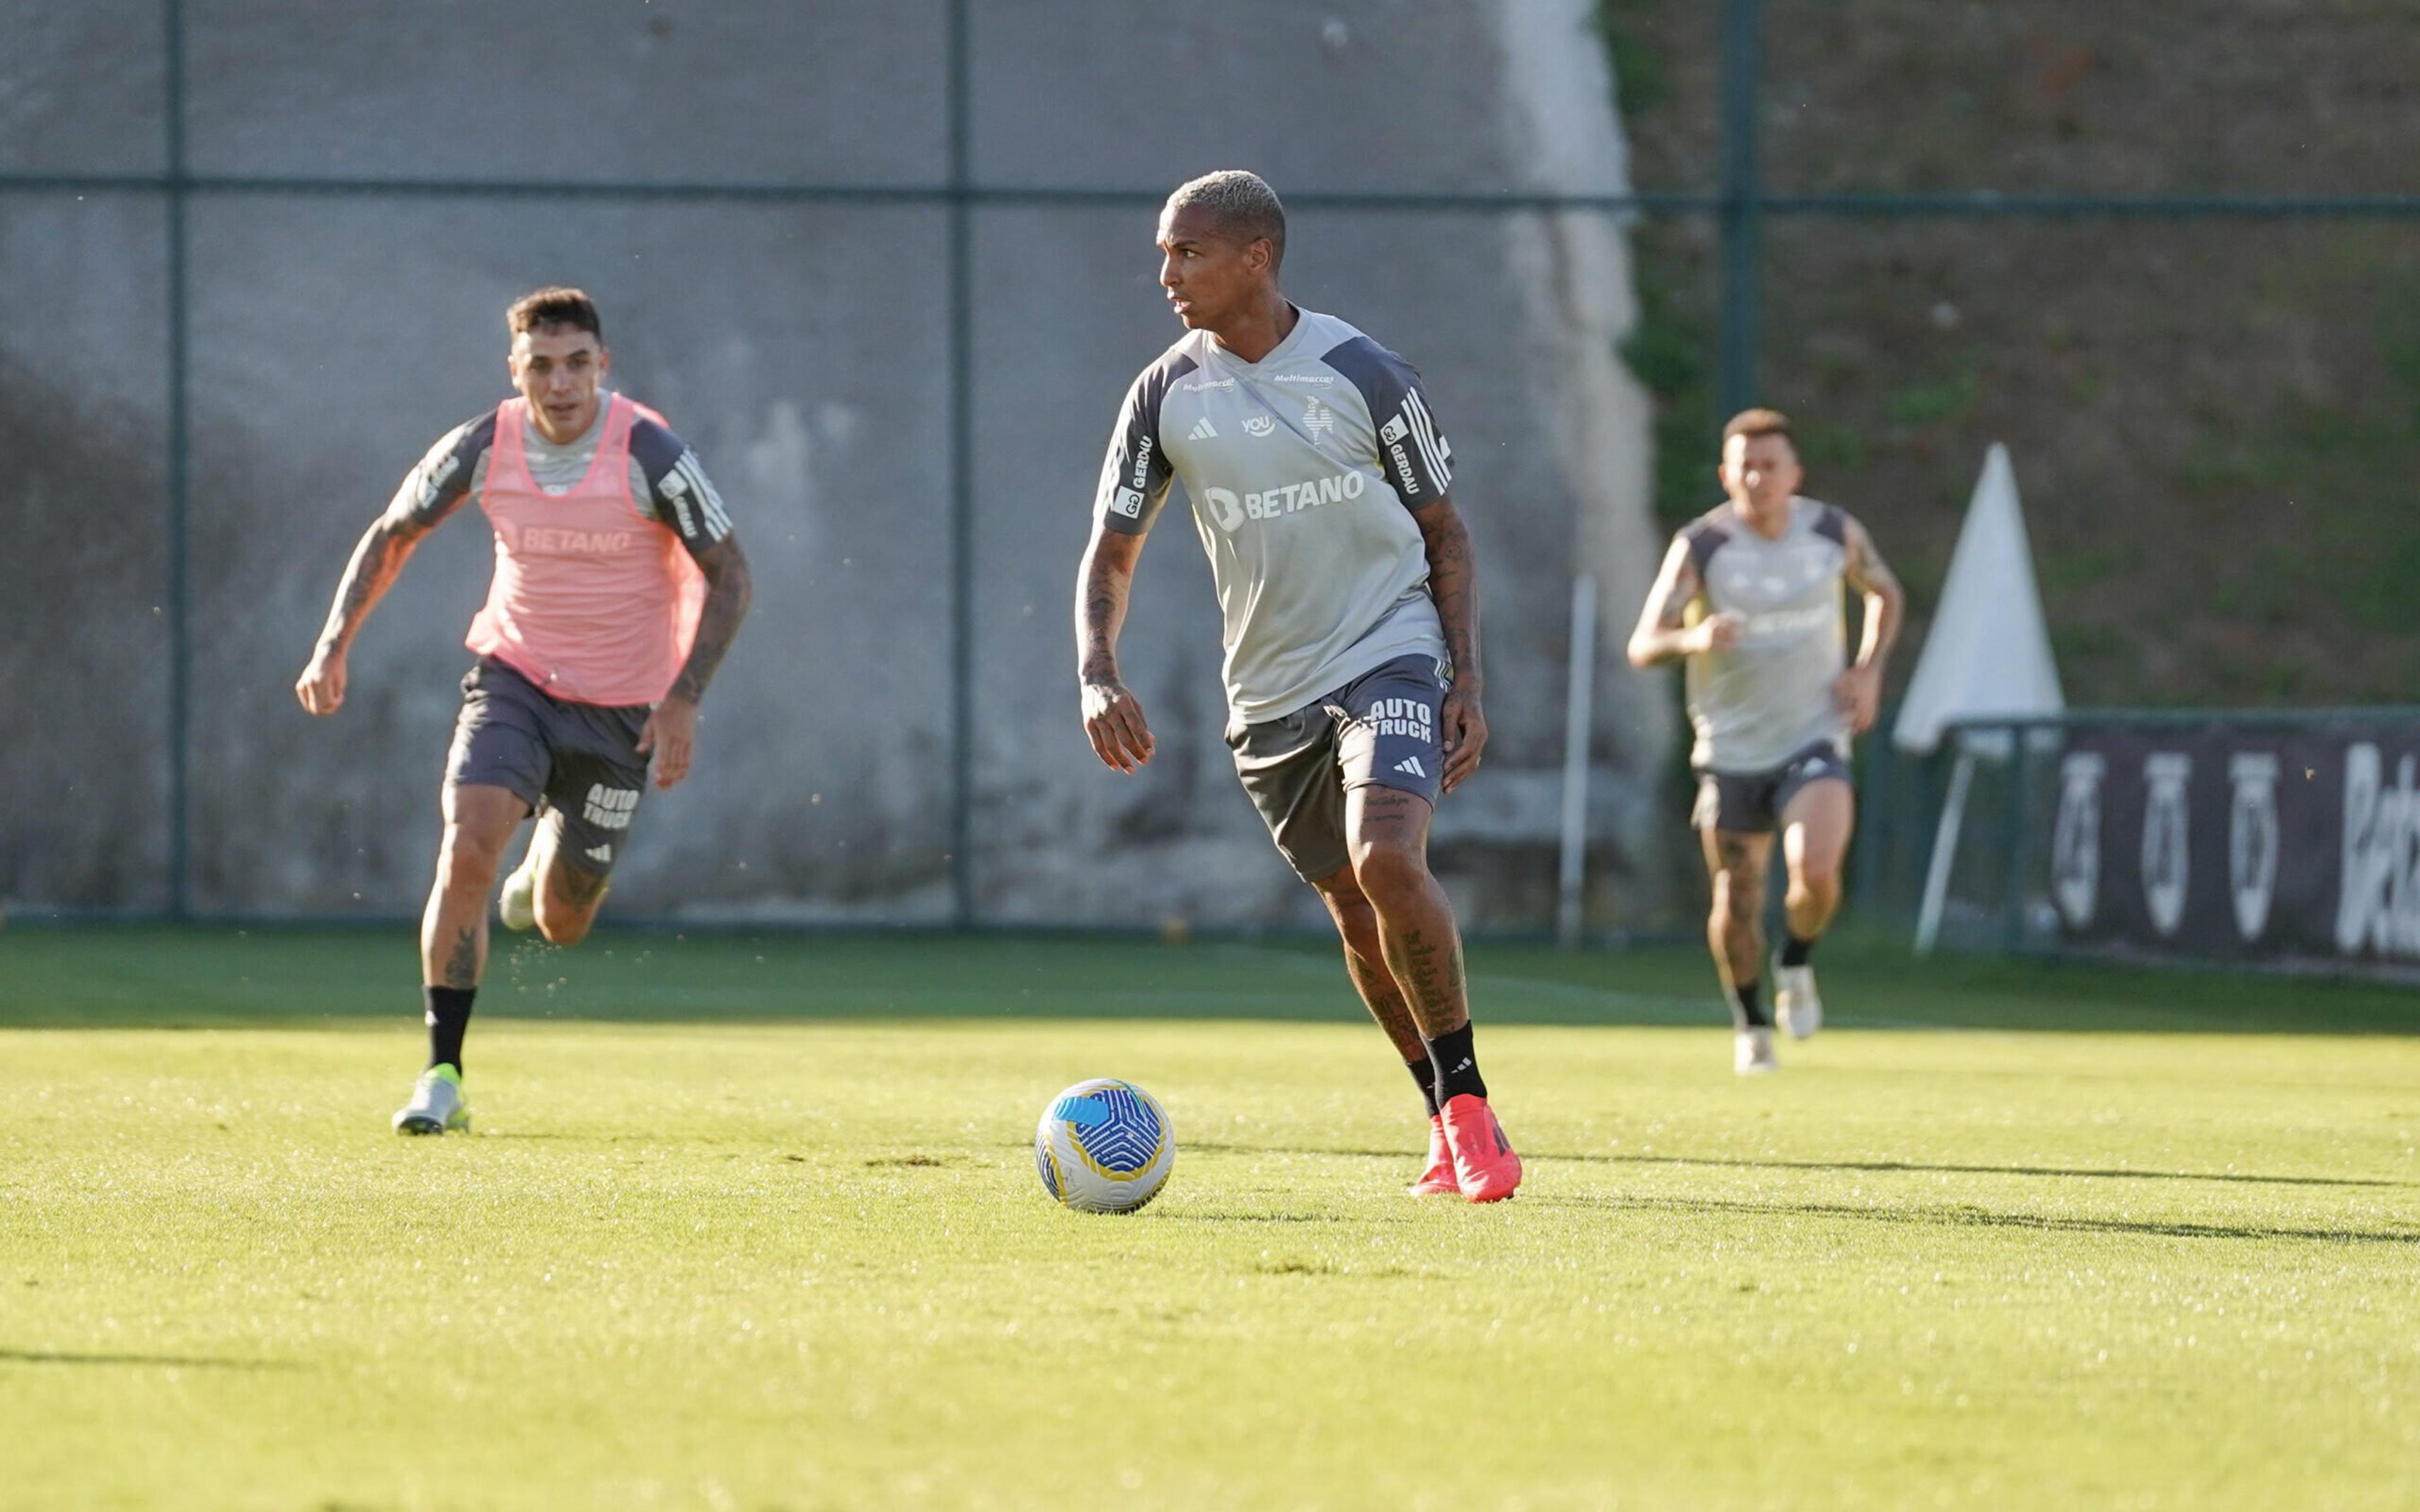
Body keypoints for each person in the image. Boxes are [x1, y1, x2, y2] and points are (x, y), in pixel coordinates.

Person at [1073, 170, 1520, 1201]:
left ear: (1255, 256)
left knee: (1386, 859)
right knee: (1354, 912)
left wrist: (1468, 680)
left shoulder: (1365, 373)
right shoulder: (1164, 394)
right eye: (1163, 253)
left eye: (1187, 252)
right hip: (1267, 692)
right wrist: (1099, 672)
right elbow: (1111, 552)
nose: (1167, 275)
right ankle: (1438, 1120)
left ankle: (1470, 1108)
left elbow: (1445, 535)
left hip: (1389, 649)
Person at [295, 287, 752, 1133]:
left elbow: (732, 572)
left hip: (620, 715)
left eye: (577, 363)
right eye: (541, 365)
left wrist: (684, 698)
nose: (561, 382)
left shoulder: (649, 452)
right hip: (514, 682)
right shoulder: (484, 445)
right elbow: (394, 531)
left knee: (562, 922)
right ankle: (441, 1076)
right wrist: (332, 644)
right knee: (467, 844)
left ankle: (542, 869)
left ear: (602, 366)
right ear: (517, 371)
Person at [1626, 408, 1902, 1074]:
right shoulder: (1703, 546)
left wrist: (1867, 671)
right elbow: (1643, 644)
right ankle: (1751, 1020)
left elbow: (1885, 593)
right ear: (1726, 474)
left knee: (1814, 872)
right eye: (1744, 465)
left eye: (1770, 464)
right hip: (1731, 751)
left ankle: (1798, 961)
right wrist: (1693, 638)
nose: (1758, 477)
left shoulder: (1832, 532)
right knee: (1738, 898)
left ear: (1794, 473)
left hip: (1814, 735)